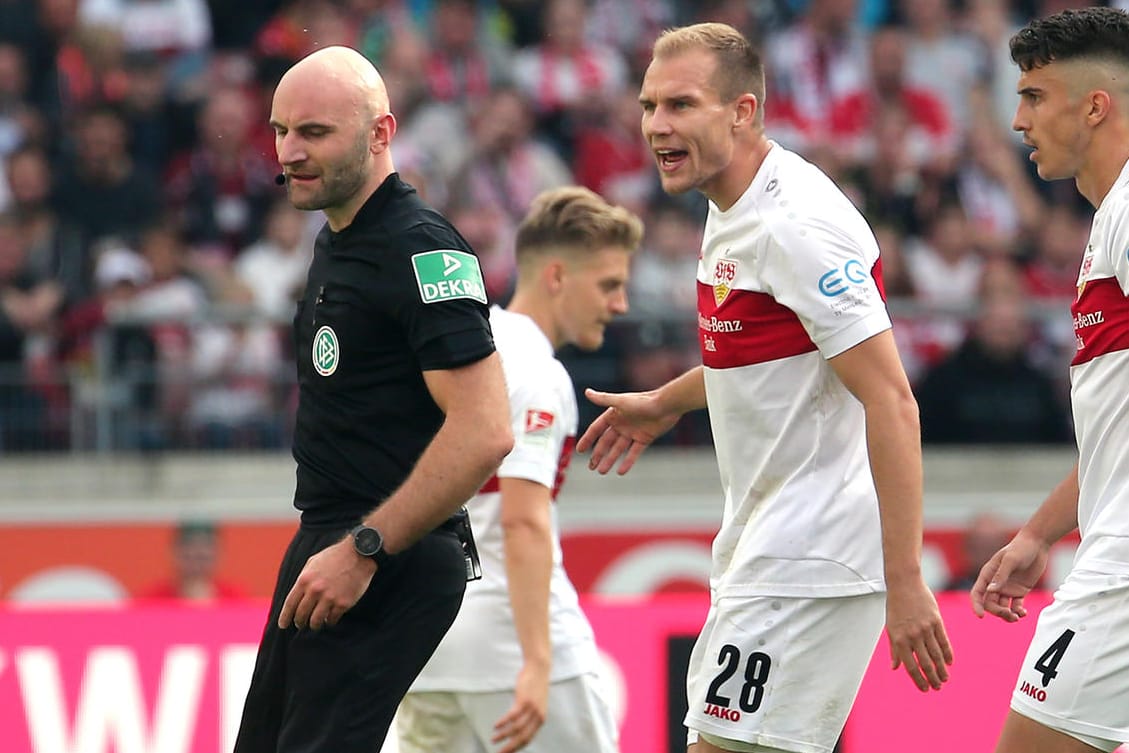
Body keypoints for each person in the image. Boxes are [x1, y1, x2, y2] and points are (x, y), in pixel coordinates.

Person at [575, 23, 953, 753]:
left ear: (742, 112)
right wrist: (666, 401)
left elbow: (890, 397)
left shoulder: (794, 225)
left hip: (811, 555)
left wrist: (904, 577)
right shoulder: (733, 206)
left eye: (680, 106)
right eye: (650, 105)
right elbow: (768, 357)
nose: (657, 126)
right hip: (768, 544)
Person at [233, 45, 513, 753]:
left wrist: (364, 548)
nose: (289, 151)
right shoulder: (336, 240)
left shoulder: (418, 247)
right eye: (279, 130)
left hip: (386, 555)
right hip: (328, 540)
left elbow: (484, 430)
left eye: (314, 133)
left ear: (380, 133)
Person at [399, 185, 641, 753]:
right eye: (609, 284)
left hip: (427, 645)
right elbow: (522, 521)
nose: (621, 304)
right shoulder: (536, 372)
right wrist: (537, 660)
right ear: (557, 276)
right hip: (511, 642)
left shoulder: (462, 353)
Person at [971, 8, 1129, 753]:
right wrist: (1039, 532)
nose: (1016, 119)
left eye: (1033, 96)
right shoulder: (1109, 218)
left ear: (1093, 105)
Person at [138, 520, 246, 601]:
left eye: (206, 547)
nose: (197, 553)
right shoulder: (153, 600)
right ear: (174, 552)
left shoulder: (236, 599)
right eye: (189, 547)